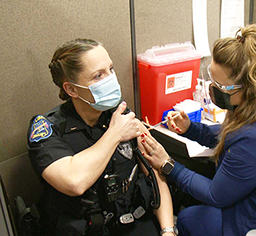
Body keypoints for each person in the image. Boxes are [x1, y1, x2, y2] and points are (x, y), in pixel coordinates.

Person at [140, 24, 256, 235]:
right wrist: (190, 128)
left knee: (187, 218)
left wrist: (168, 165)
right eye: (211, 80)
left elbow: (216, 195)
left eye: (220, 87)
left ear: (248, 88)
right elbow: (231, 135)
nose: (212, 89)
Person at [27, 39, 176, 236]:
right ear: (71, 89)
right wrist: (115, 134)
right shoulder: (47, 129)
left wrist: (168, 230)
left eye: (110, 69)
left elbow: (156, 174)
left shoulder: (120, 115)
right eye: (98, 75)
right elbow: (74, 181)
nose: (110, 79)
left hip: (133, 223)